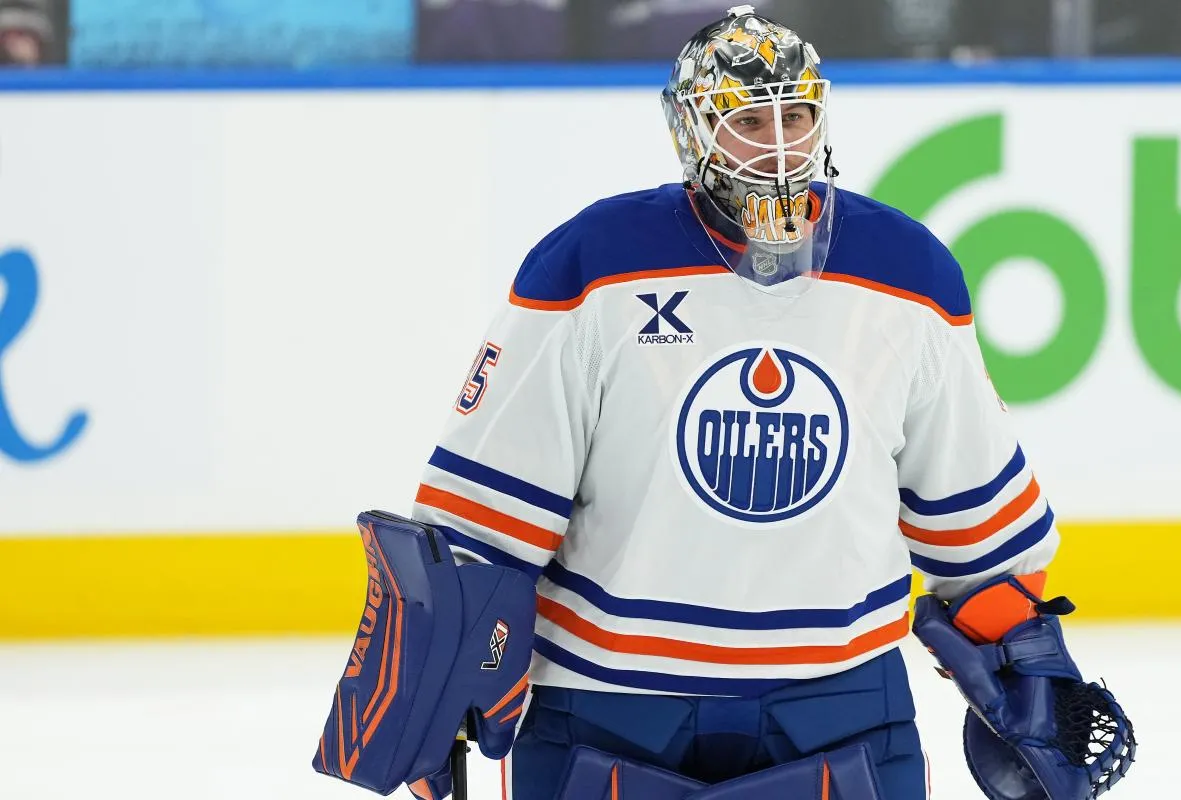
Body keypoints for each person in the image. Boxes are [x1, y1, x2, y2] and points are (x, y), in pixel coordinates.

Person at [315, 6, 1135, 799]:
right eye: (747, 121)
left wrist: (1028, 662)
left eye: (796, 118)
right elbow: (485, 522)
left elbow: (977, 530)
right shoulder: (591, 266)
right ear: (690, 131)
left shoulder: (908, 275)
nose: (779, 149)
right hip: (609, 702)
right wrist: (443, 680)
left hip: (837, 699)